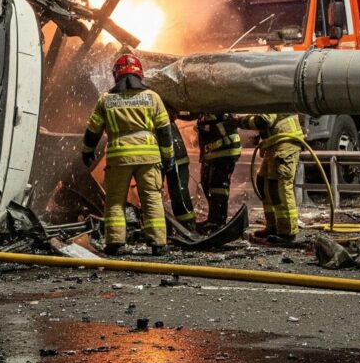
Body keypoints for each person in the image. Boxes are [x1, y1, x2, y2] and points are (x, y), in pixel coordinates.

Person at [81, 52, 175, 255]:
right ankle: (158, 244)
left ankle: (115, 243)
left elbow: (93, 130)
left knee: (115, 200)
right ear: (140, 74)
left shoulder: (106, 100)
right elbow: (165, 131)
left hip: (119, 157)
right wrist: (168, 158)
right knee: (151, 198)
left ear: (116, 75)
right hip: (149, 158)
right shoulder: (153, 98)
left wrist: (87, 152)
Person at [234, 112, 304, 244]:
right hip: (276, 143)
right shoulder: (265, 96)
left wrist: (238, 121)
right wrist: (263, 140)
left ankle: (287, 232)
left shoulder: (269, 95)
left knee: (279, 188)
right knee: (263, 183)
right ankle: (273, 226)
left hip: (285, 143)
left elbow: (264, 121)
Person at [196, 113, 242, 229]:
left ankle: (218, 222)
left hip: (225, 149)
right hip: (214, 152)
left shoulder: (216, 104)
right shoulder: (204, 109)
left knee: (218, 187)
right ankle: (213, 219)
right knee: (207, 184)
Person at [165, 114, 196, 230]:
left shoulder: (160, 115)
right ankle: (186, 225)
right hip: (175, 156)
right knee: (178, 191)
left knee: (178, 191)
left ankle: (187, 226)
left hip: (175, 157)